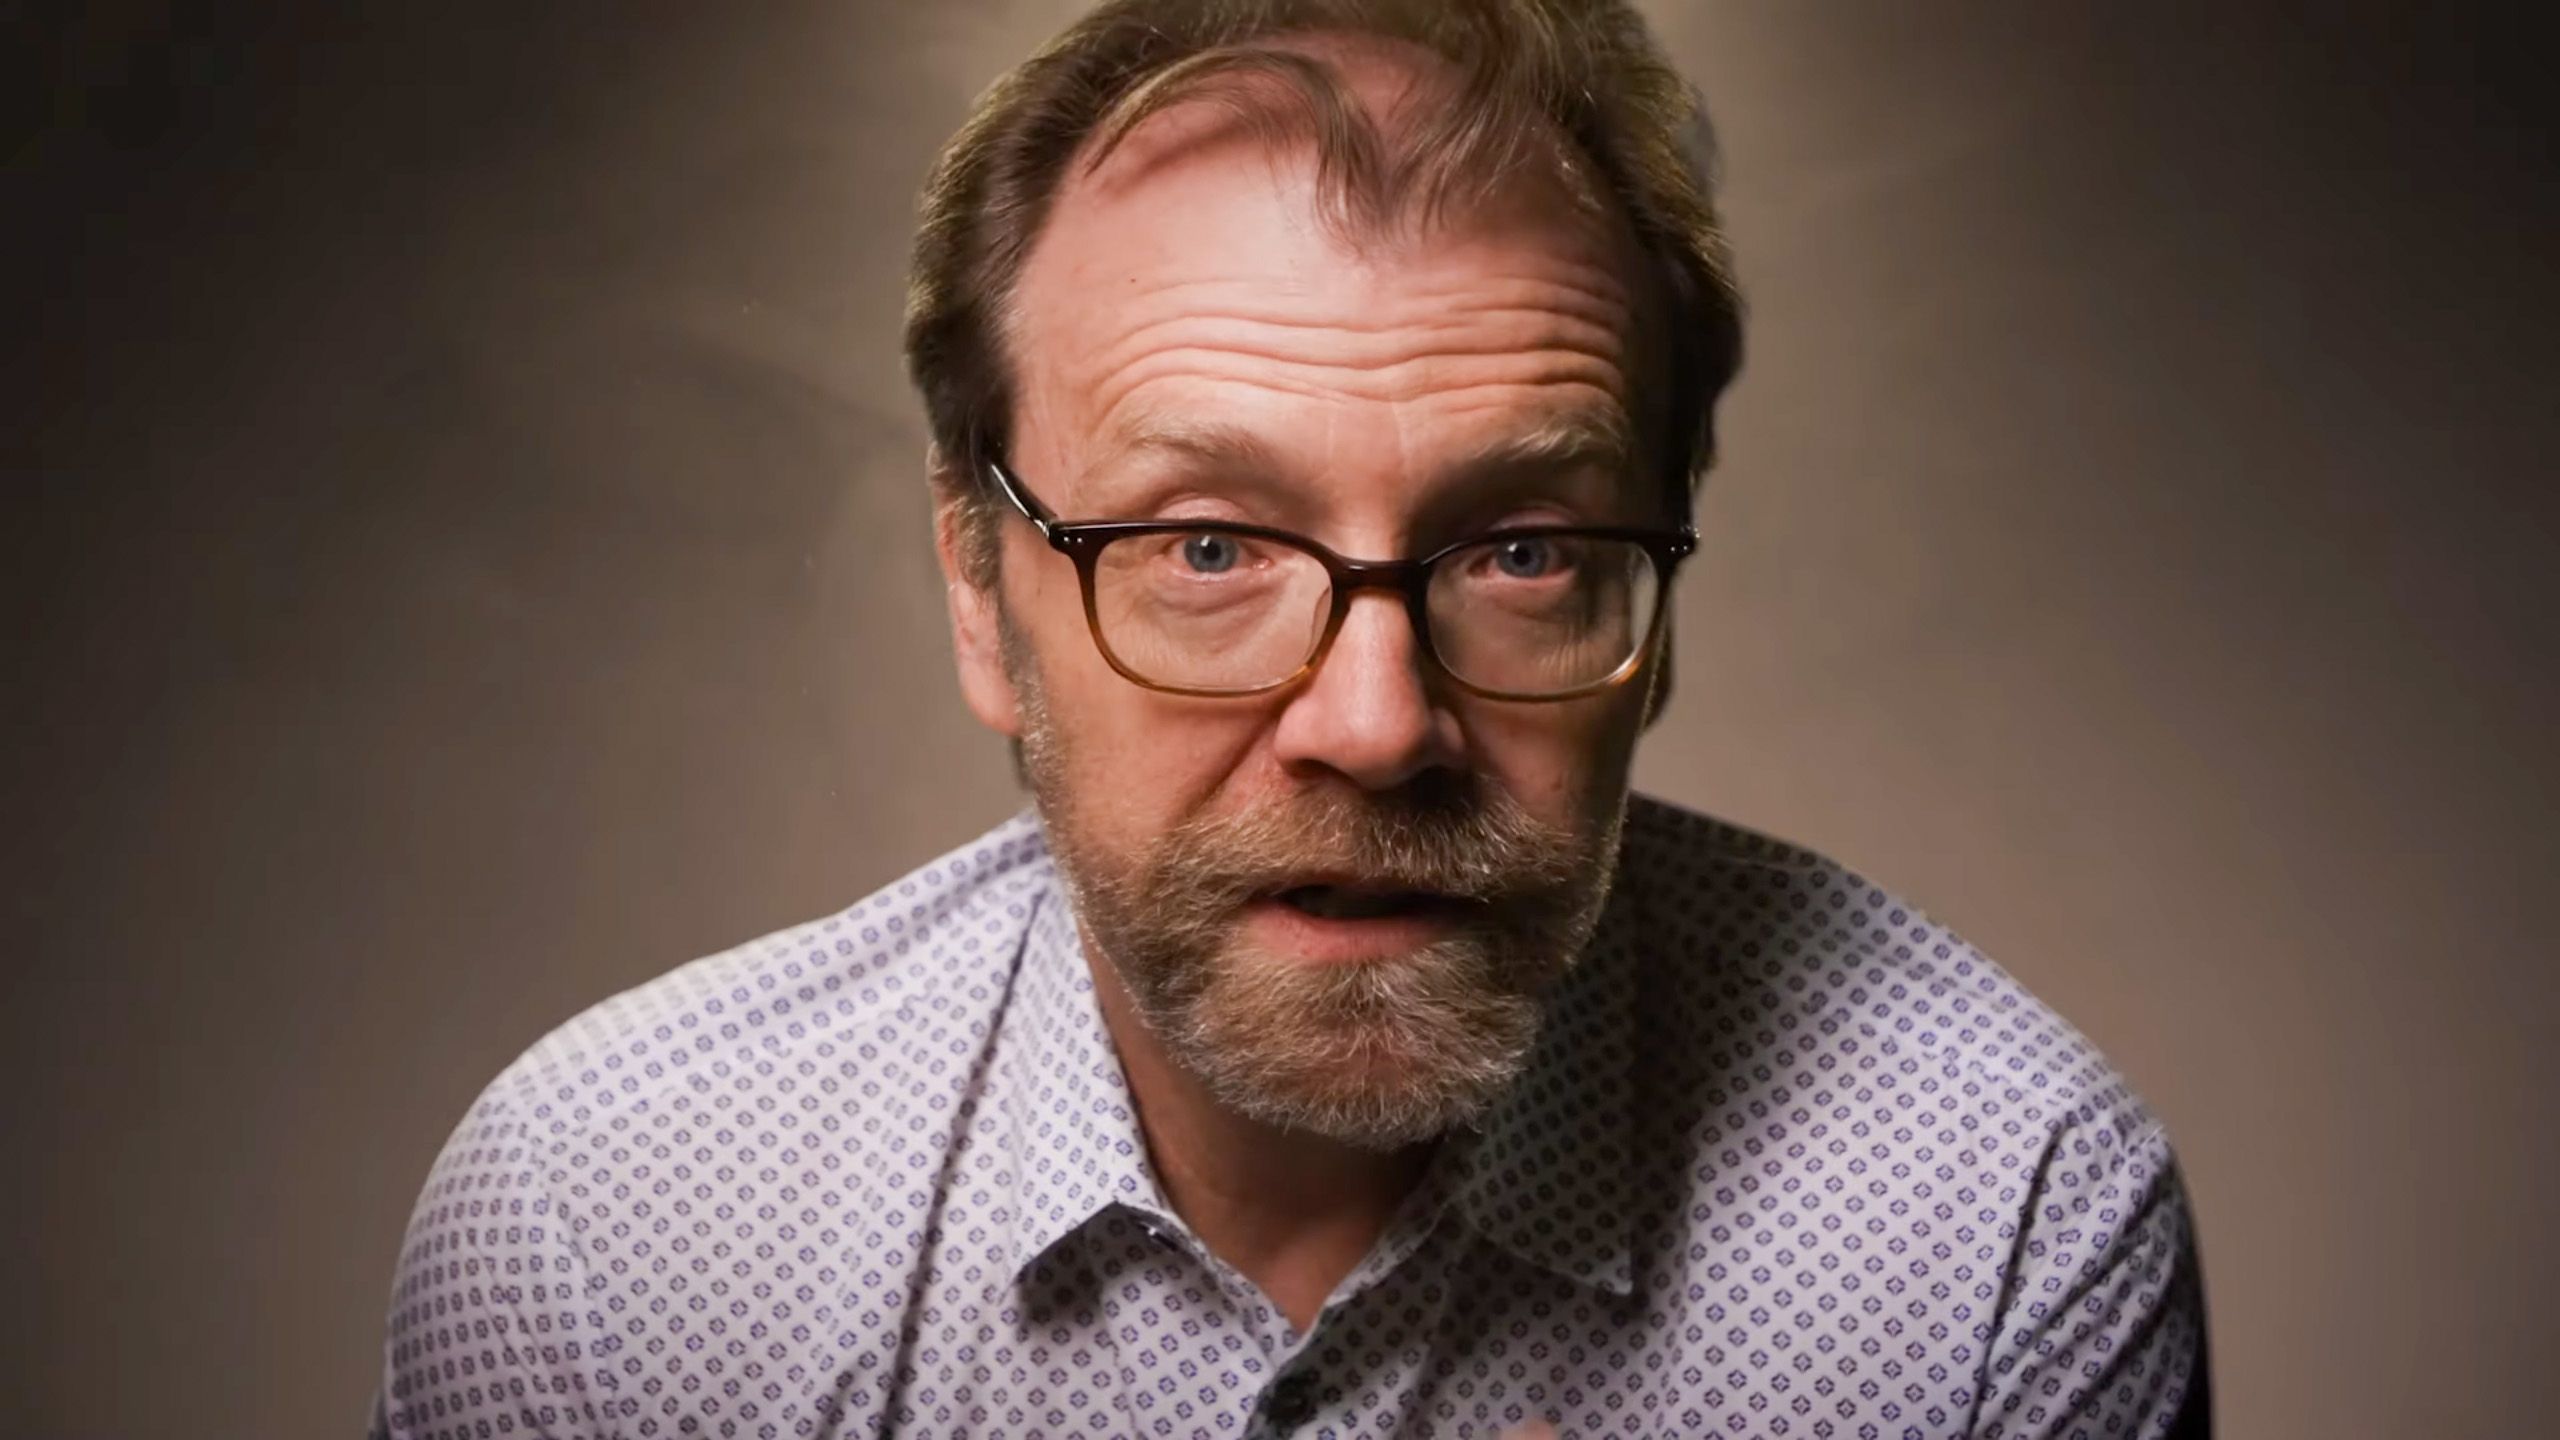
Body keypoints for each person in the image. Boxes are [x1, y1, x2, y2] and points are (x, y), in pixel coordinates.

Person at [367, 2, 2207, 1436]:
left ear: (1657, 604)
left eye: (1523, 550)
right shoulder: (606, 1232)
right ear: (981, 594)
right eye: (1210, 543)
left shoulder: (2003, 1222)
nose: (1376, 720)